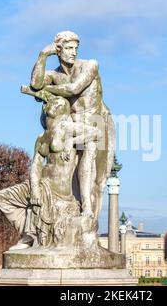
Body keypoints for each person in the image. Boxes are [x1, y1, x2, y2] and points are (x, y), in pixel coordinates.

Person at [0, 93, 100, 249]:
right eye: (50, 103)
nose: (49, 105)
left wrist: (72, 141)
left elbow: (97, 133)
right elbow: (36, 166)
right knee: (2, 197)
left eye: (55, 102)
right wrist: (35, 188)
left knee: (91, 146)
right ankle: (28, 234)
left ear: (61, 108)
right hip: (42, 183)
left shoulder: (66, 127)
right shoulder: (42, 137)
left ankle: (29, 236)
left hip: (59, 190)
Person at [29, 31, 115, 221]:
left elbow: (73, 88)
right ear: (58, 50)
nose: (73, 52)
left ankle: (88, 209)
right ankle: (81, 209)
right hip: (72, 125)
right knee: (70, 176)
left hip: (96, 122)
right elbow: (35, 85)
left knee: (98, 182)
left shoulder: (90, 65)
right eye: (68, 48)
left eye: (76, 48)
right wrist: (43, 55)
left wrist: (46, 90)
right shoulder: (54, 75)